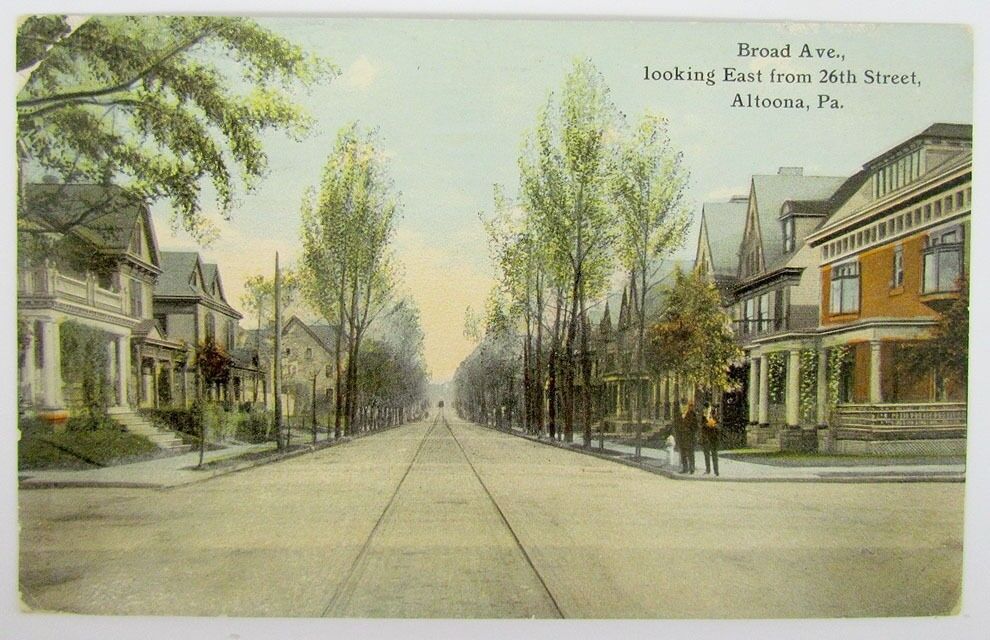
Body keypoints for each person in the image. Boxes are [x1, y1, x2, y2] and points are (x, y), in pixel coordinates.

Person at [675, 399, 697, 474]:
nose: (683, 407)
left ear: (687, 406)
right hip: (681, 437)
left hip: (689, 437)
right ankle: (685, 468)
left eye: (685, 405)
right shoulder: (678, 414)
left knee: (691, 453)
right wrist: (677, 437)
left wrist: (691, 433)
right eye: (682, 405)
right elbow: (676, 426)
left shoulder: (692, 414)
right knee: (683, 453)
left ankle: (692, 468)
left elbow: (695, 426)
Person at [701, 401, 720, 477]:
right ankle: (708, 469)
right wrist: (706, 425)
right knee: (706, 455)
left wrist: (713, 425)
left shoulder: (714, 415)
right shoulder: (703, 416)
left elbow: (718, 425)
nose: (706, 410)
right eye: (705, 408)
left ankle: (716, 471)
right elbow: (702, 425)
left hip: (713, 438)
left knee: (714, 455)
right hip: (706, 438)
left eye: (707, 408)